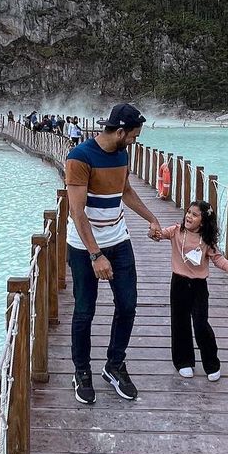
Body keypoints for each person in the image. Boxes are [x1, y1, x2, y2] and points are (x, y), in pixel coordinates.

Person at [65, 103, 162, 405]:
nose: (135, 140)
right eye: (133, 135)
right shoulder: (79, 157)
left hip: (118, 239)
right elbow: (77, 212)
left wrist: (152, 218)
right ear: (120, 131)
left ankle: (114, 364)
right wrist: (96, 255)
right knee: (84, 310)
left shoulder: (122, 153)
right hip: (84, 246)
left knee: (128, 304)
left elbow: (126, 191)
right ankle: (82, 371)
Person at [151, 200, 228, 381]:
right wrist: (154, 232)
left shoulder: (206, 241)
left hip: (199, 286)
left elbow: (218, 258)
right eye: (188, 212)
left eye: (194, 215)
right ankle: (183, 361)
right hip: (179, 283)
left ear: (203, 221)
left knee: (200, 324)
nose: (189, 216)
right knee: (180, 322)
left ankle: (211, 363)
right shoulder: (176, 231)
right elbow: (159, 234)